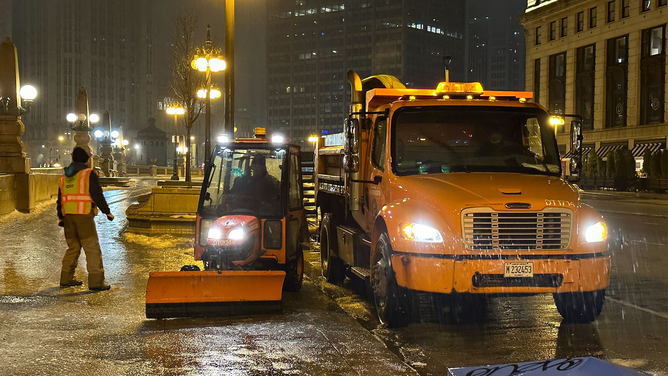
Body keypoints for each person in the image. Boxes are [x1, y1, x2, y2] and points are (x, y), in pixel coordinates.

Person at [57, 147, 114, 291]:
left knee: (73, 248)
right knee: (92, 248)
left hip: (68, 217)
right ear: (87, 160)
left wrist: (61, 217)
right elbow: (97, 194)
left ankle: (66, 278)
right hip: (83, 216)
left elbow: (60, 199)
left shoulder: (64, 177)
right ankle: (96, 281)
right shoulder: (88, 174)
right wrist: (107, 212)